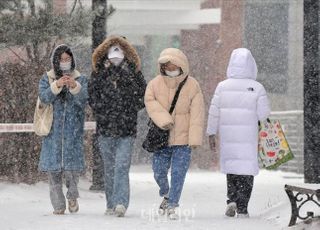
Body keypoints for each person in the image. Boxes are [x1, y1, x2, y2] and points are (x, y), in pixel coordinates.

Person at [207, 48, 270, 218]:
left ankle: (231, 199)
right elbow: (264, 115)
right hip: (248, 137)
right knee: (246, 170)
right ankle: (242, 206)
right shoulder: (257, 88)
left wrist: (211, 132)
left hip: (229, 136)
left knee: (232, 167)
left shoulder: (222, 86)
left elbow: (214, 112)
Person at [88, 36, 146, 217]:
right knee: (109, 167)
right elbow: (92, 96)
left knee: (121, 165)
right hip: (105, 128)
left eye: (120, 49)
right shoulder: (98, 71)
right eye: (112, 49)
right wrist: (103, 110)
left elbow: (142, 95)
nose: (116, 53)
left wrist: (129, 108)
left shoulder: (133, 71)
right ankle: (110, 203)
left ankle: (121, 202)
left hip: (126, 129)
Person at [144, 48, 204, 220]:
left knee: (179, 172)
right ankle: (166, 192)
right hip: (161, 138)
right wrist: (164, 119)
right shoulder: (154, 84)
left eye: (174, 65)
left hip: (183, 141)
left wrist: (194, 138)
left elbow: (197, 114)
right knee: (158, 171)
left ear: (181, 65)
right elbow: (149, 102)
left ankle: (172, 204)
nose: (171, 69)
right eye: (167, 66)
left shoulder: (192, 85)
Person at [38, 44, 88, 215]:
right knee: (53, 173)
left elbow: (84, 100)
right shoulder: (47, 78)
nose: (65, 63)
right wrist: (56, 85)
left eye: (68, 59)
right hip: (52, 133)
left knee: (72, 171)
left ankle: (72, 196)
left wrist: (75, 87)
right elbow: (43, 97)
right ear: (55, 61)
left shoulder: (81, 78)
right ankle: (58, 206)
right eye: (61, 60)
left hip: (73, 133)